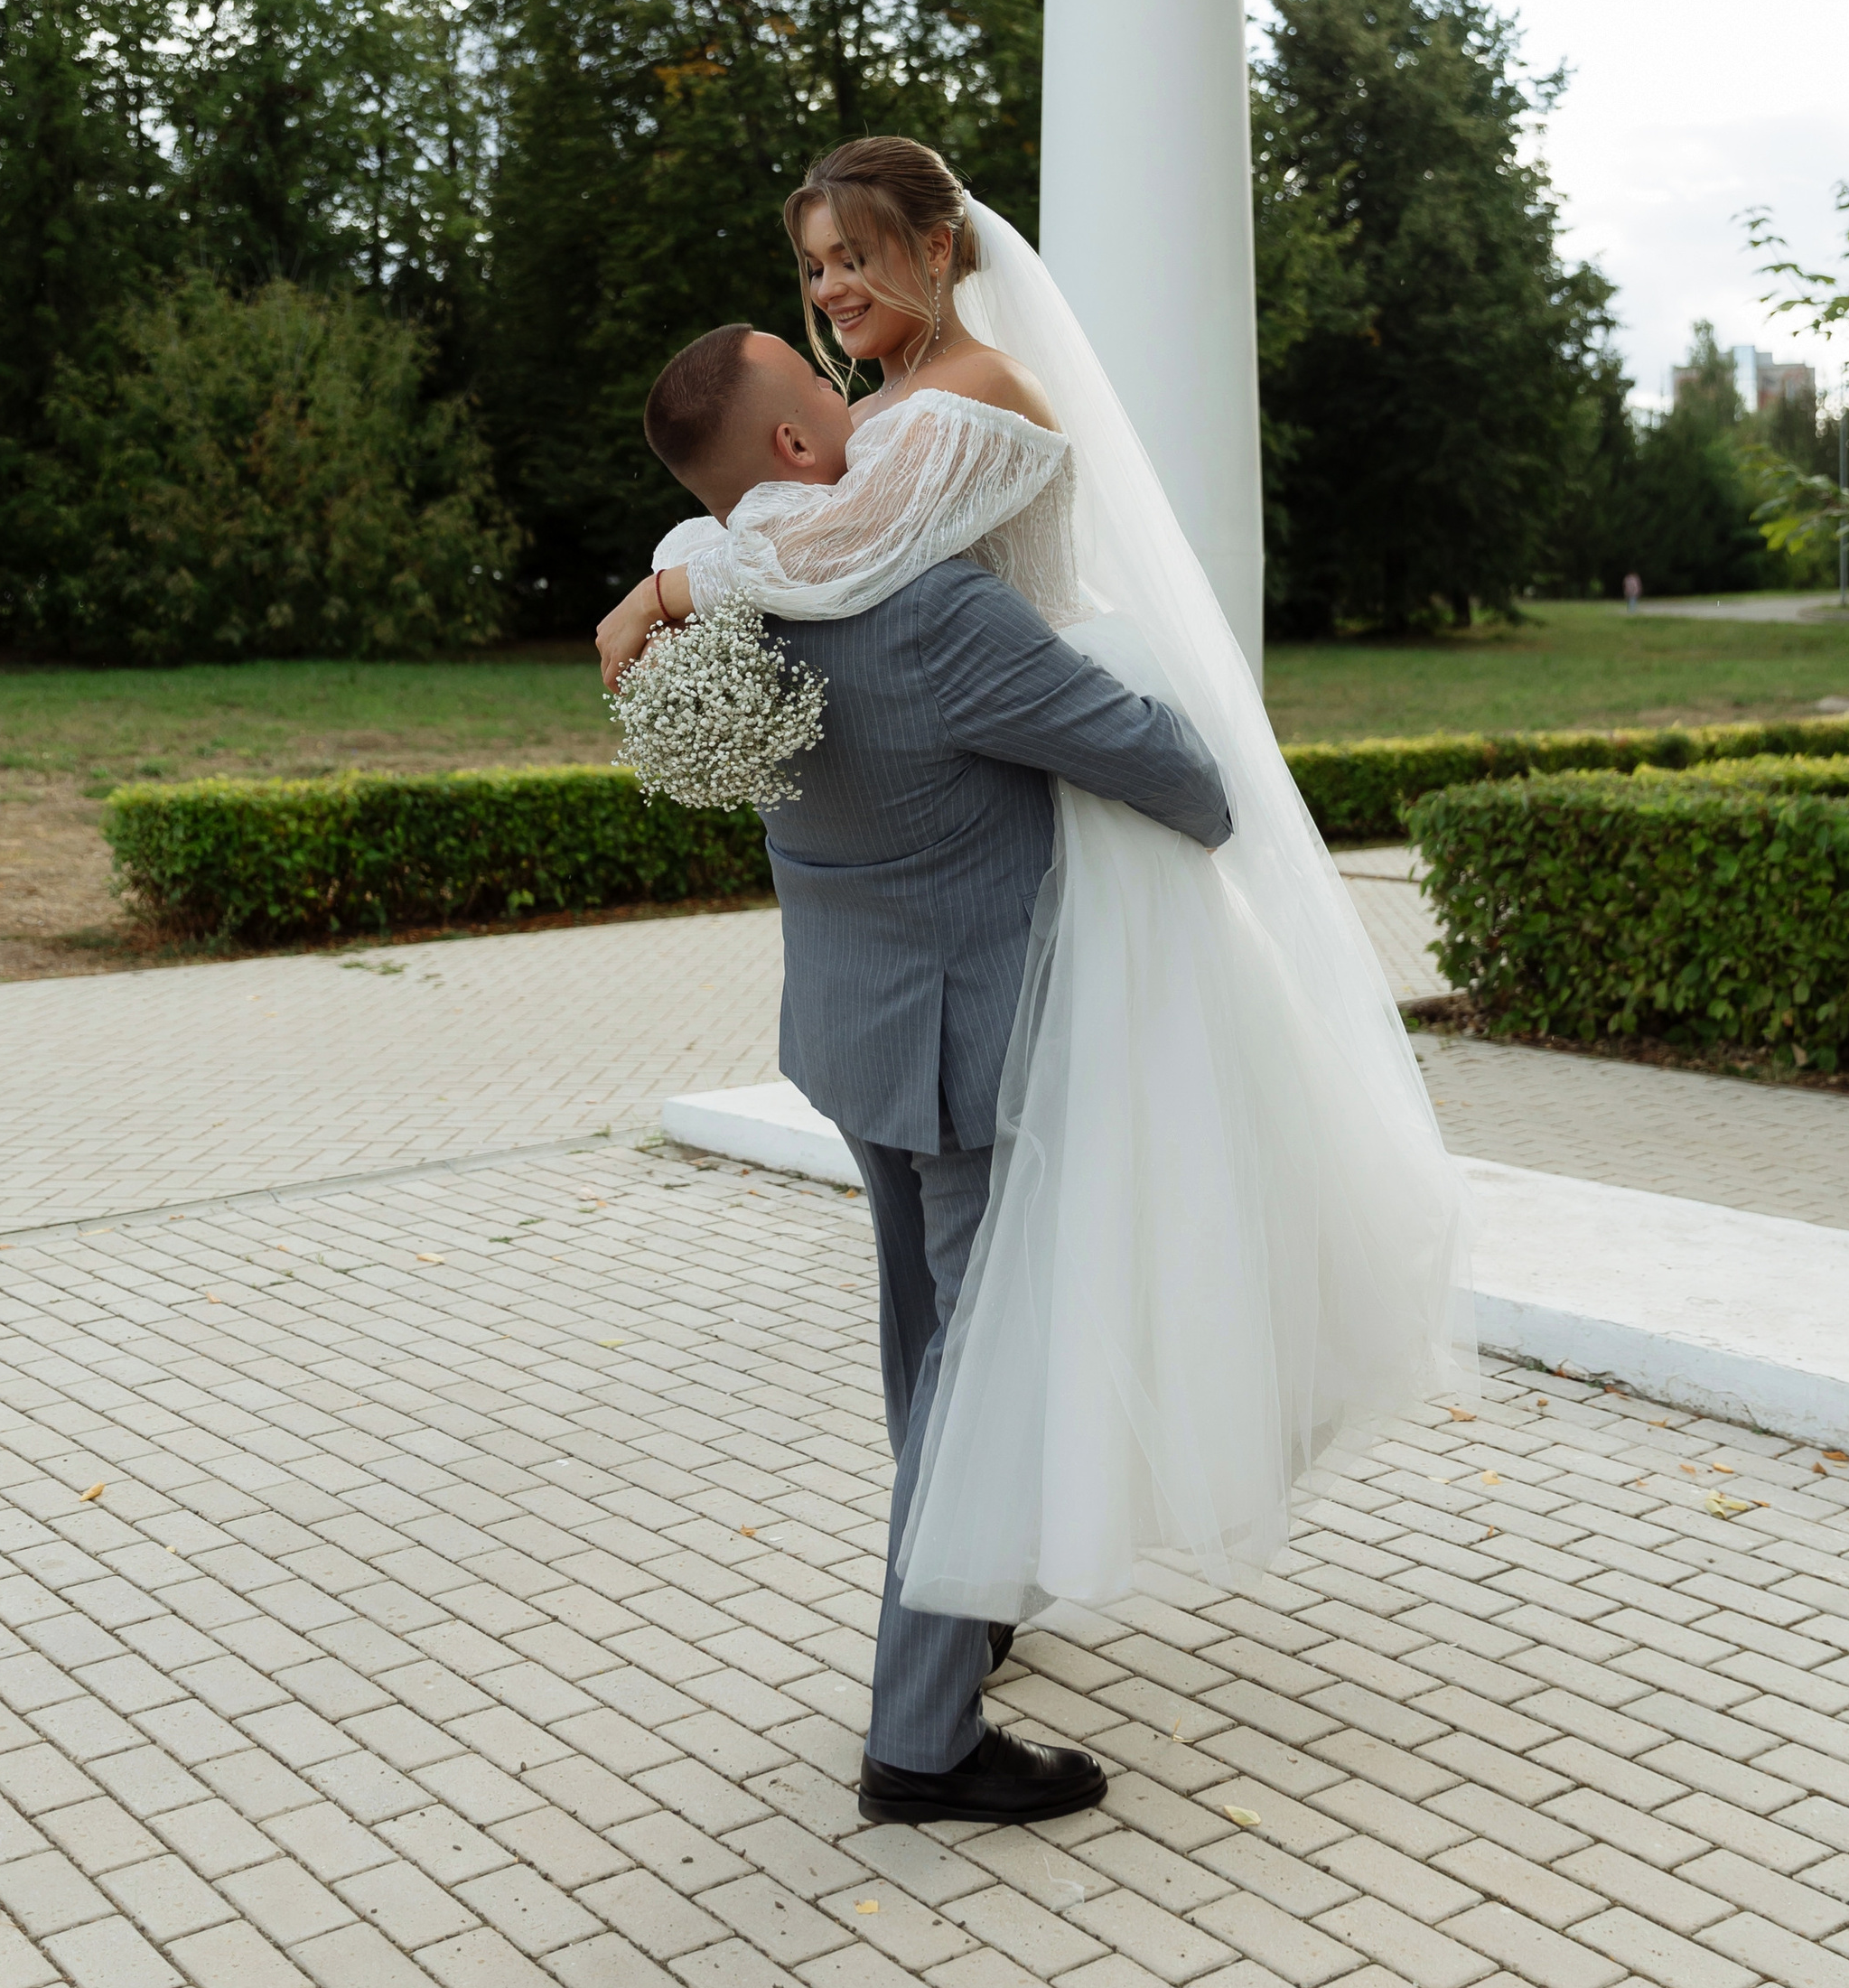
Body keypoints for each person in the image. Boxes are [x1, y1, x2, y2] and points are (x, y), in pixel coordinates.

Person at [603, 142, 1473, 1647]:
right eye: (814, 266)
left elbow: (825, 546)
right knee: (953, 1318)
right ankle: (966, 1594)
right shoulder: (865, 422)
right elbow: (781, 529)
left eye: (862, 256)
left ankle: (953, 1628)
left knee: (1018, 1285)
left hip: (1049, 778)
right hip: (956, 824)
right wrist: (703, 552)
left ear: (943, 249)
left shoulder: (980, 400)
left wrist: (674, 575)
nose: (835, 290)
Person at [632, 310, 1233, 1827]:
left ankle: (966, 1609)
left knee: (925, 1352)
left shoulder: (712, 610)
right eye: (823, 386)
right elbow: (1183, 782)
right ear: (791, 445)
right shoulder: (940, 620)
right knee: (979, 1385)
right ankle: (920, 1739)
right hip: (971, 1057)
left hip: (852, 1037)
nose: (855, 398)